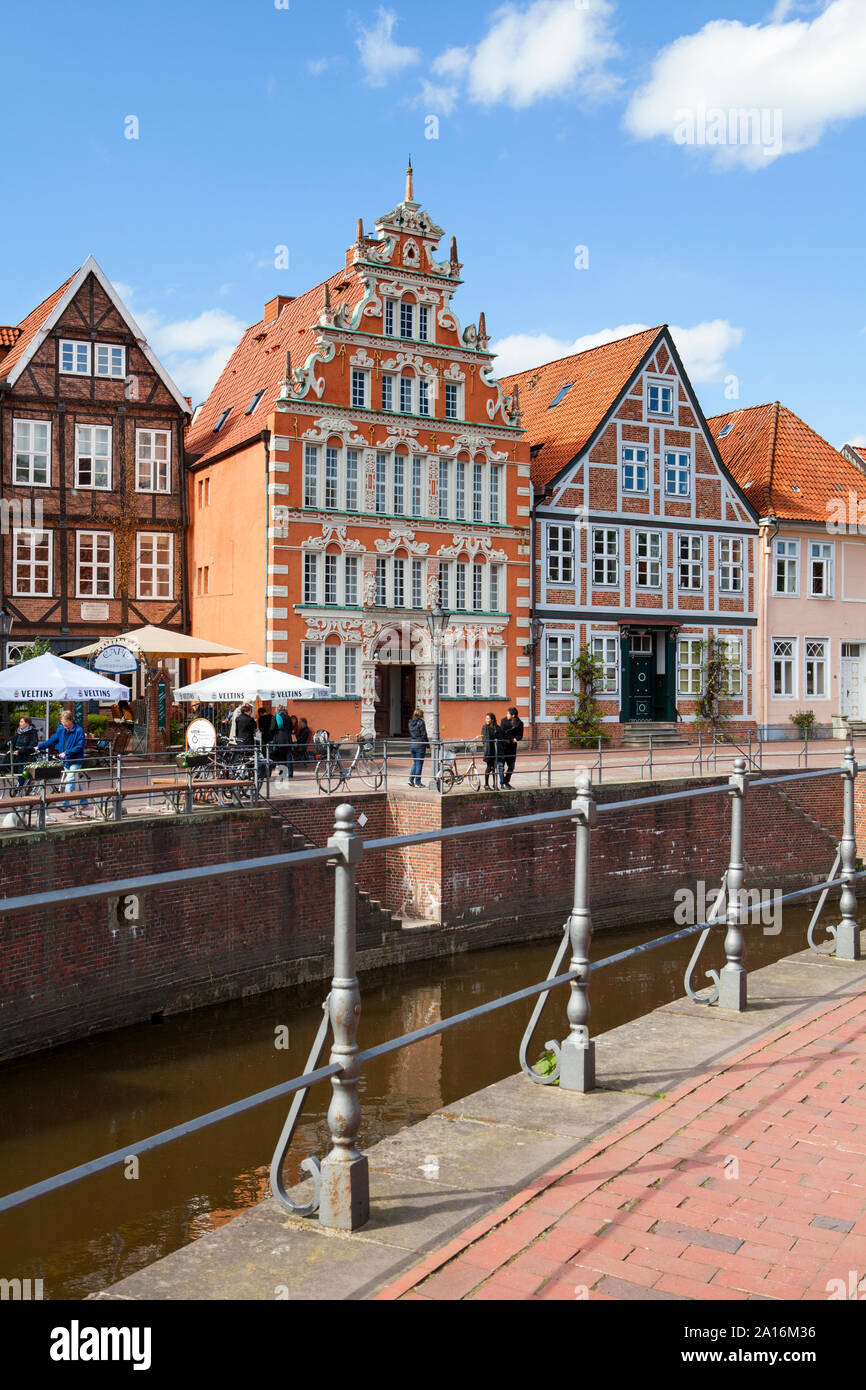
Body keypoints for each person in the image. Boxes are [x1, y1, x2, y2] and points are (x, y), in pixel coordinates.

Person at [36, 710, 88, 810]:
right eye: (62, 722)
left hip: (75, 760)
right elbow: (52, 740)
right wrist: (39, 747)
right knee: (74, 781)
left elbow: (79, 746)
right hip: (66, 761)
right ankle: (84, 801)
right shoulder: (61, 730)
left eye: (64, 722)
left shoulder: (78, 731)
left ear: (70, 721)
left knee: (69, 780)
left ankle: (64, 804)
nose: (63, 724)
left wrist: (66, 752)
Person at [498, 707, 524, 789]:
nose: (506, 715)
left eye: (508, 714)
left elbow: (520, 735)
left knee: (511, 766)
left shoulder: (520, 723)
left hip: (512, 747)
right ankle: (503, 783)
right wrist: (511, 738)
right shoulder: (504, 721)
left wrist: (517, 738)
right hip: (503, 746)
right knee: (501, 766)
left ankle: (506, 782)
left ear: (513, 715)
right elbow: (502, 733)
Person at [10, 715, 39, 787]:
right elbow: (11, 741)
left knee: (25, 777)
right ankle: (20, 790)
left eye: (21, 721)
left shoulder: (32, 732)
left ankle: (26, 794)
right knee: (20, 777)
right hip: (18, 757)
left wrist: (20, 751)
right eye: (20, 721)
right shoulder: (18, 732)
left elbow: (32, 745)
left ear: (27, 723)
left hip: (27, 758)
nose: (20, 723)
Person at [271, 705, 294, 779]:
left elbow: (272, 728)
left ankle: (282, 773)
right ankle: (290, 773)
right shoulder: (288, 717)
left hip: (280, 739)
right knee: (289, 756)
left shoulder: (276, 717)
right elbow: (291, 728)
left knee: (281, 757)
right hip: (288, 739)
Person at [408, 708, 428, 787]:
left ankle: (410, 780)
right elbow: (424, 734)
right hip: (420, 745)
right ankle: (418, 782)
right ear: (421, 715)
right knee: (419, 764)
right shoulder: (421, 722)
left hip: (412, 744)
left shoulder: (410, 722)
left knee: (415, 763)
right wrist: (428, 745)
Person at [481, 712, 501, 790]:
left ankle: (495, 784)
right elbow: (484, 739)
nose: (486, 720)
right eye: (486, 718)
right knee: (489, 767)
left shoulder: (496, 728)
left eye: (488, 718)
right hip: (489, 750)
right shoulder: (485, 728)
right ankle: (486, 784)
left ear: (492, 720)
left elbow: (499, 736)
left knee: (494, 768)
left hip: (495, 750)